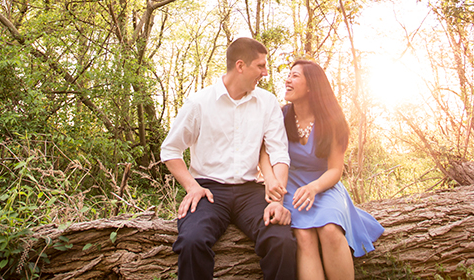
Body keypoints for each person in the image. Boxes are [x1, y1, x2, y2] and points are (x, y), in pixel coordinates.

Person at [161, 37, 297, 280]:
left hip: (251, 191)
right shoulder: (199, 103)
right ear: (241, 65)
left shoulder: (267, 103)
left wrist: (278, 201)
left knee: (281, 240)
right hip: (209, 191)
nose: (265, 73)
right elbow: (170, 150)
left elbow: (278, 153)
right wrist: (192, 187)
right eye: (261, 66)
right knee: (192, 241)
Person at [260, 59, 384, 280]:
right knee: (304, 236)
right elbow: (264, 151)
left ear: (311, 86)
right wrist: (270, 179)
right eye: (288, 75)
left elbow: (335, 170)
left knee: (329, 229)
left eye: (295, 76)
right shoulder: (280, 115)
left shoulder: (332, 121)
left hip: (324, 184)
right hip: (290, 185)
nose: (287, 79)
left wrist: (314, 188)